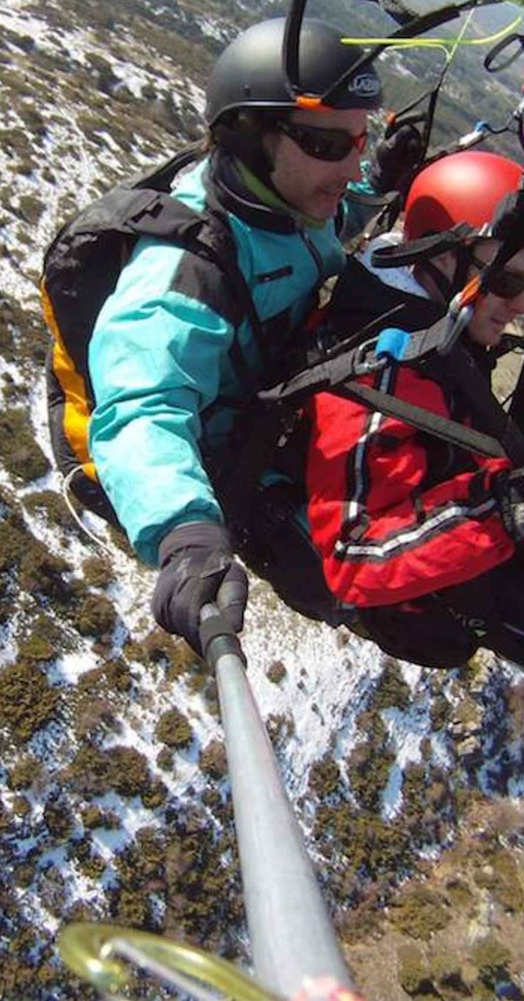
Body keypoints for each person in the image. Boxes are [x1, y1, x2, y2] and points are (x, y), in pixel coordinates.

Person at [304, 149, 524, 848]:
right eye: (511, 280)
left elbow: (464, 230)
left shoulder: (422, 285)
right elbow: (352, 558)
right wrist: (513, 508)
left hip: (451, 492)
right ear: (445, 260)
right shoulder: (380, 370)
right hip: (409, 586)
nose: (521, 302)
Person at [78, 17, 411, 654]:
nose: (350, 165)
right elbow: (141, 404)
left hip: (282, 391)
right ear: (251, 137)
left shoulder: (285, 202)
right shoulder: (187, 270)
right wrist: (186, 534)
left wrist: (381, 182)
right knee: (360, 582)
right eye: (327, 144)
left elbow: (333, 220)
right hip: (237, 457)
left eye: (360, 140)